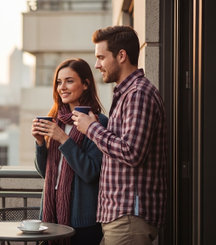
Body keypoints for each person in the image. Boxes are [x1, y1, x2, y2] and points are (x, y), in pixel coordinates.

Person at [72, 26, 167, 245]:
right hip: (121, 218)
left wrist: (92, 129)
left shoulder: (138, 94)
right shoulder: (126, 94)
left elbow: (132, 152)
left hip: (130, 218)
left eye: (101, 57)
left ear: (121, 55)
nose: (97, 65)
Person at [32, 58, 108, 245]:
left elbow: (90, 172)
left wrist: (64, 139)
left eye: (69, 81)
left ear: (85, 84)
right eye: (59, 82)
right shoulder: (55, 120)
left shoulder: (97, 122)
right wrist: (40, 143)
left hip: (83, 223)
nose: (62, 87)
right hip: (51, 219)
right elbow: (46, 173)